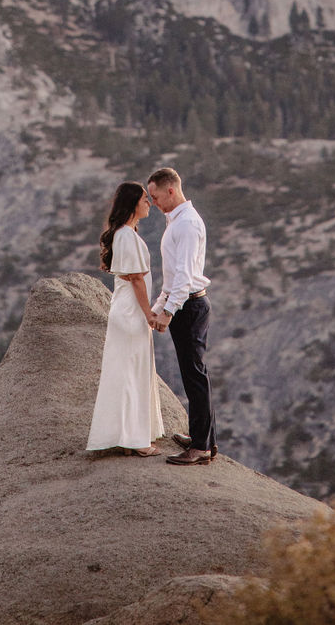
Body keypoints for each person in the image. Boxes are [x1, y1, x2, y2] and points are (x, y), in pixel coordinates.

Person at [87, 181, 165, 456]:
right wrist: (149, 314)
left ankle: (128, 434)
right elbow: (136, 279)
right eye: (145, 199)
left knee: (127, 371)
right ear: (133, 203)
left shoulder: (124, 234)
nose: (149, 203)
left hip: (125, 310)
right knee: (133, 371)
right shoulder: (127, 236)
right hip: (132, 312)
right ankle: (136, 440)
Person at [147, 166, 217, 465]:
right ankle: (203, 439)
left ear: (171, 190)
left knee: (195, 376)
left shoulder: (186, 224)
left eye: (155, 196)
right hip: (183, 303)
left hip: (189, 306)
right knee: (193, 375)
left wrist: (168, 312)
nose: (153, 202)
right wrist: (159, 305)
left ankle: (200, 447)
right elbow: (172, 275)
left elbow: (185, 277)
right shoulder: (176, 221)